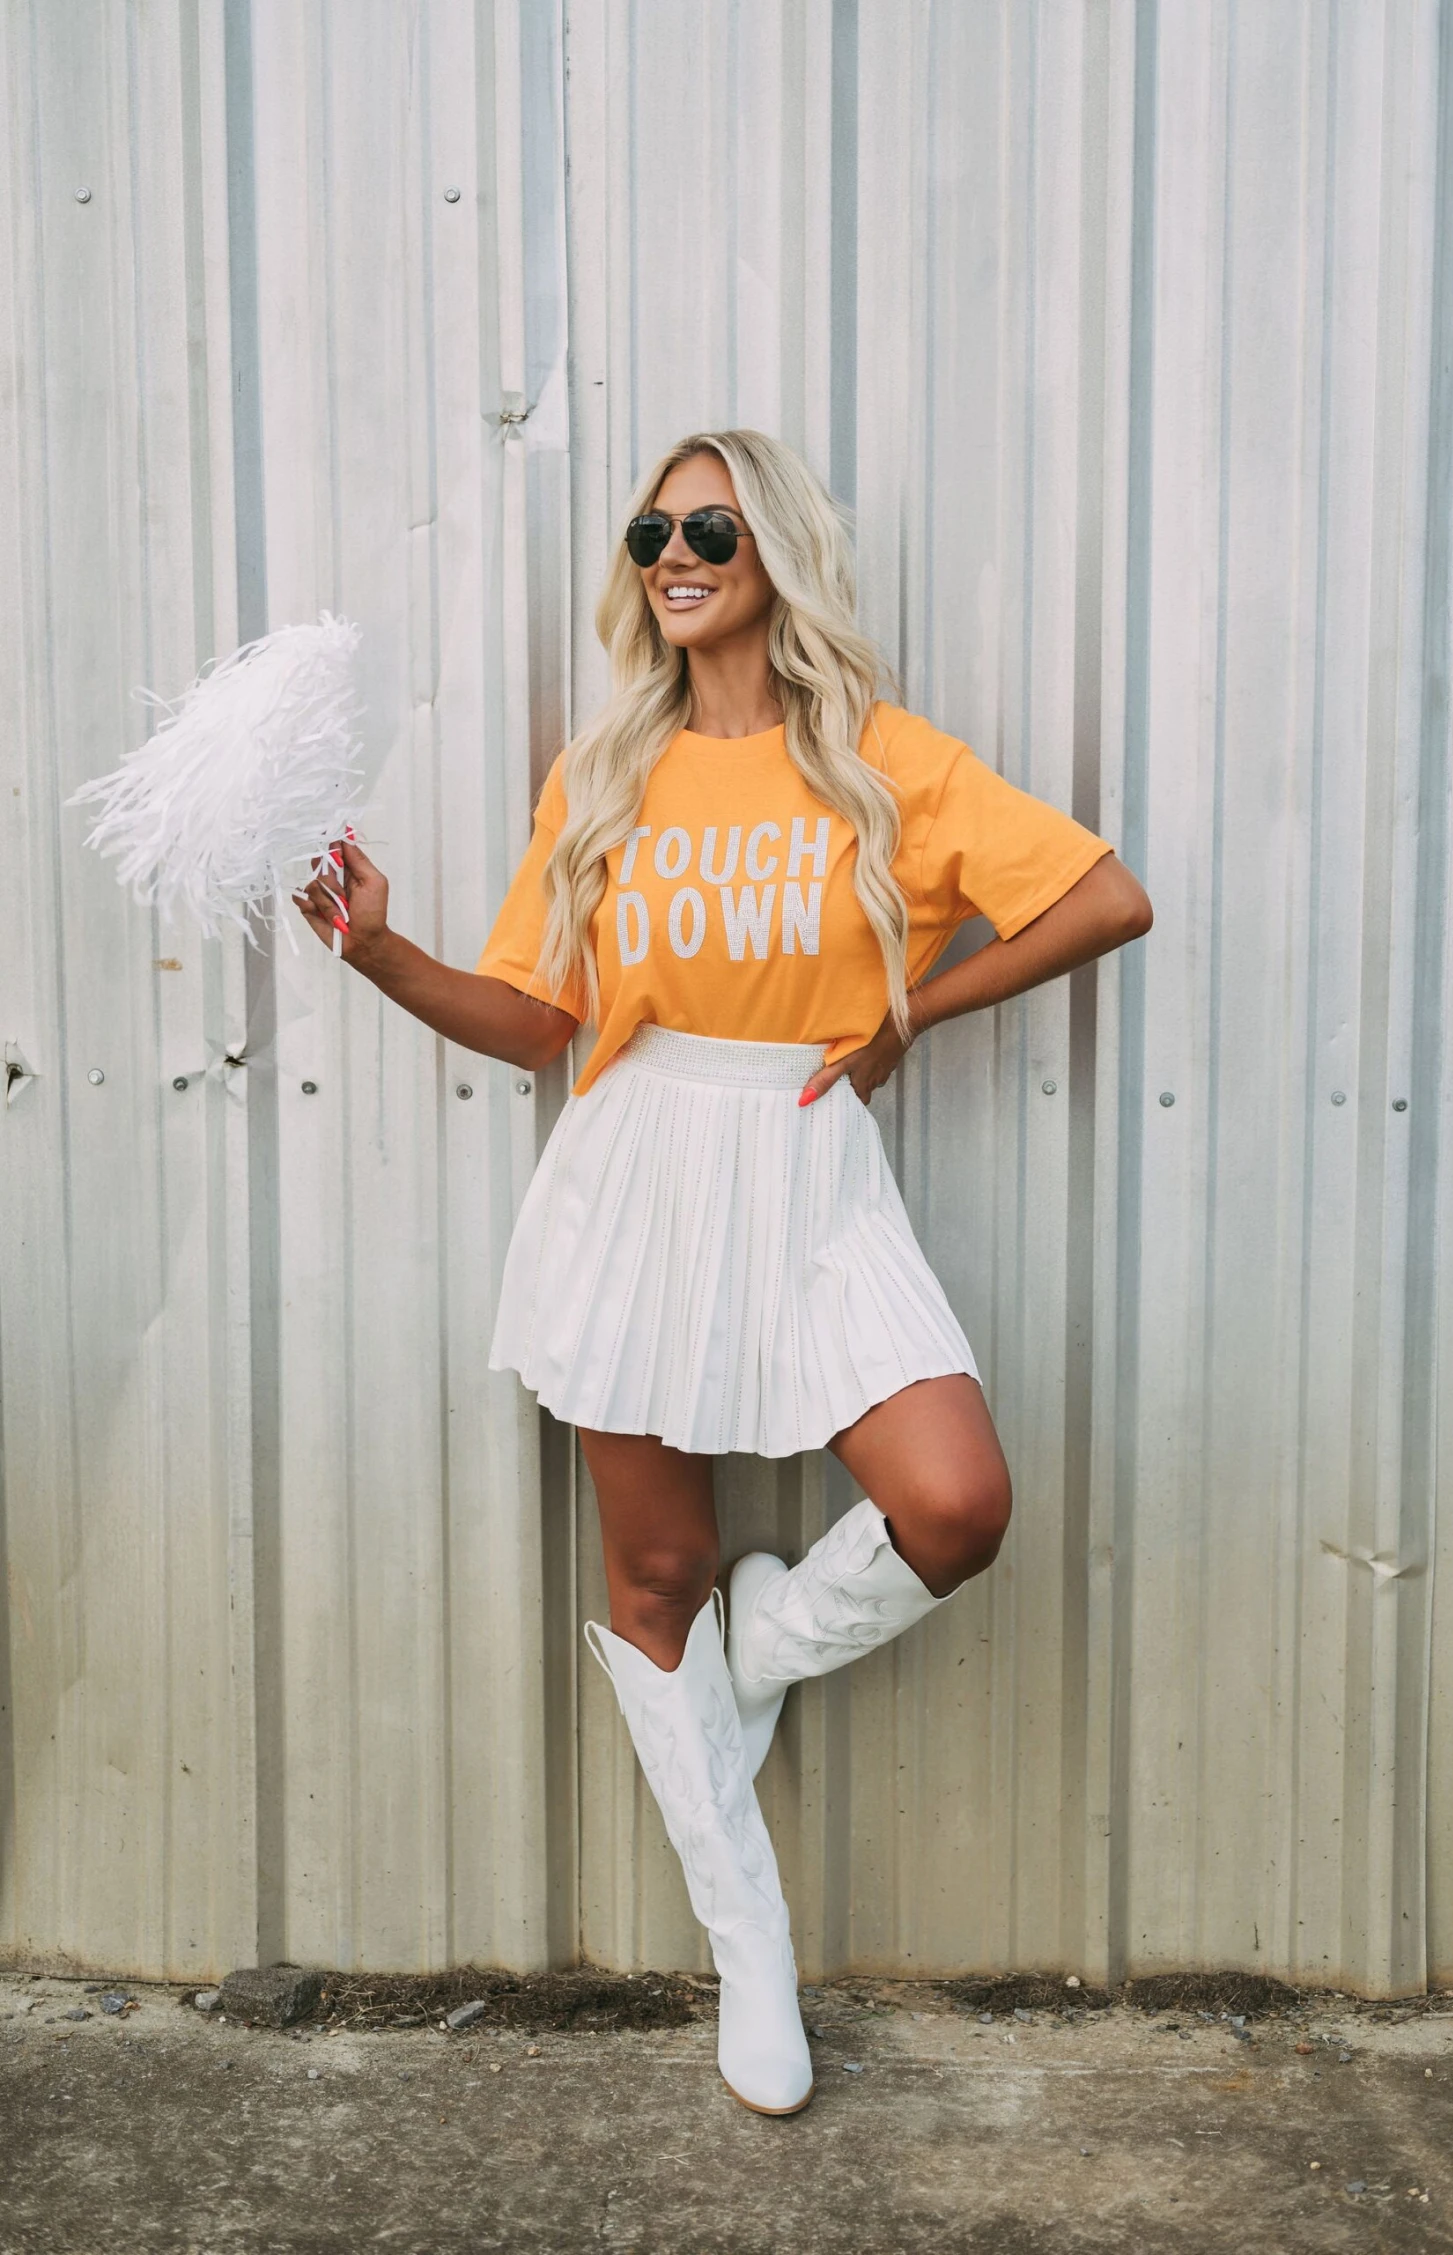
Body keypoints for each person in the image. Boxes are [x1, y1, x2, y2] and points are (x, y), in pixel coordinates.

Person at [296, 429, 1152, 2117]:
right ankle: (749, 1942)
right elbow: (535, 1021)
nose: (672, 556)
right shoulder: (606, 771)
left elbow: (1102, 898)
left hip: (809, 1160)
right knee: (659, 1568)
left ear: (778, 554)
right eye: (650, 534)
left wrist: (912, 1012)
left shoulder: (885, 762)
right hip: (636, 1166)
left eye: (708, 528)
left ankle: (762, 1648)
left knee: (956, 1501)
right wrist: (380, 946)